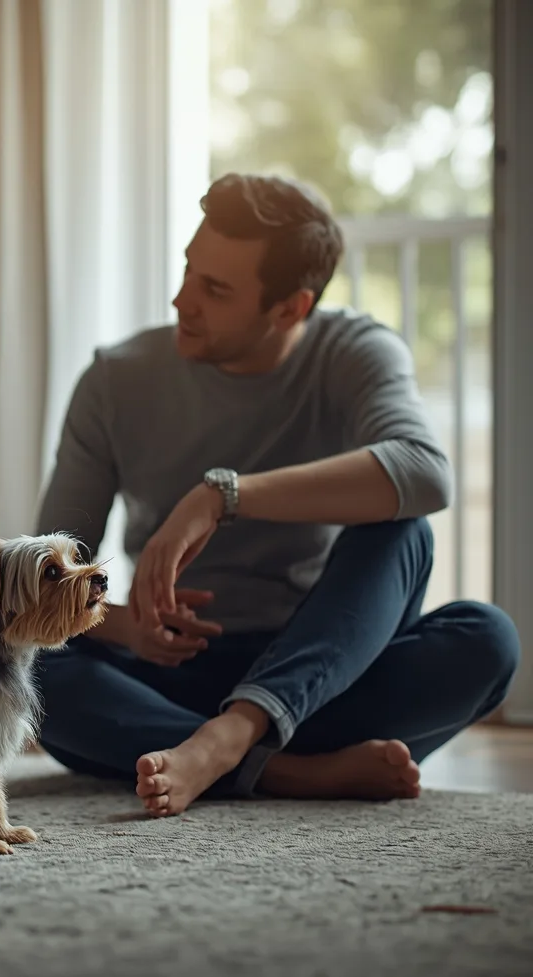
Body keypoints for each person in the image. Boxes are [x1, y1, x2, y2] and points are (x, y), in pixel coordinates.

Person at [35, 172, 519, 818]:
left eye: (215, 290)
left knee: (476, 625)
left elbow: (425, 471)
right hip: (169, 672)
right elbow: (45, 580)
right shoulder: (115, 381)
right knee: (32, 668)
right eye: (188, 271)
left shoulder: (354, 353)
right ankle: (293, 771)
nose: (182, 300)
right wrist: (131, 627)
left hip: (319, 668)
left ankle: (230, 742)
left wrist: (220, 496)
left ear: (289, 308)